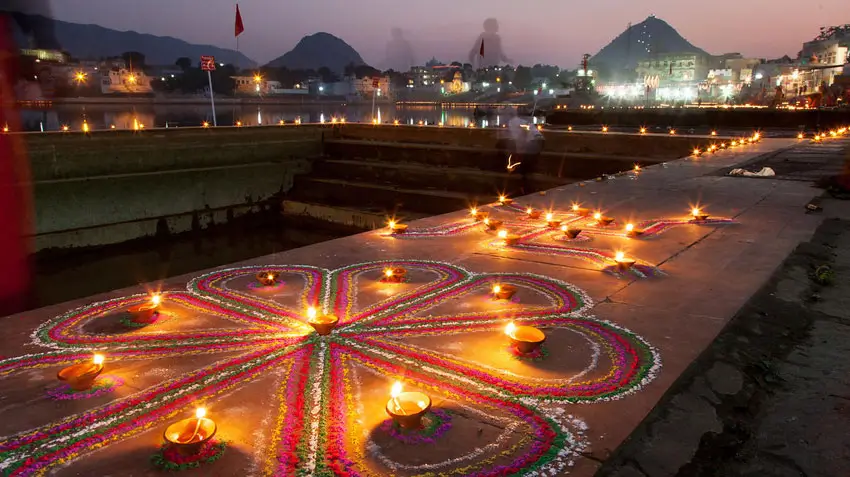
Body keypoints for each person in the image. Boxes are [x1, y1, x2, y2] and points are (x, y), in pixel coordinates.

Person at [499, 111, 544, 194]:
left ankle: (525, 190)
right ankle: (527, 189)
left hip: (531, 145)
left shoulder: (513, 123)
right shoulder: (519, 122)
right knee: (527, 170)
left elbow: (520, 138)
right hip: (534, 144)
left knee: (525, 170)